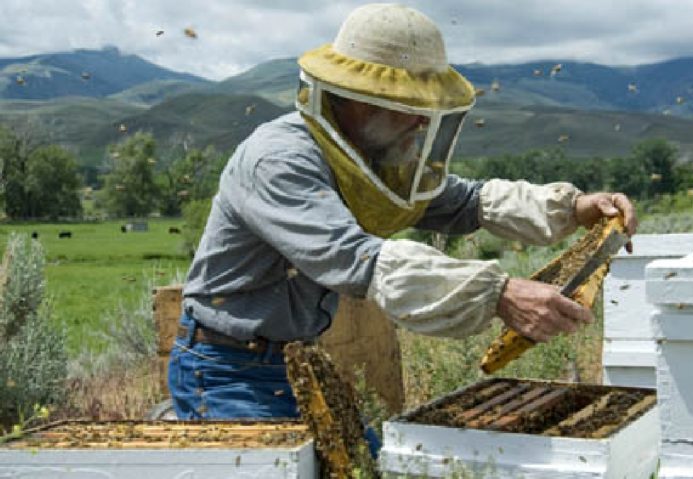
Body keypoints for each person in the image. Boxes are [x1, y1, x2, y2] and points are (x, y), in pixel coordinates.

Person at [167, 2, 637, 456]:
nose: (418, 120)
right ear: (354, 98)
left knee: (365, 466)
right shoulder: (280, 160)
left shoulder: (373, 155)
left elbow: (465, 201)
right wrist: (498, 293)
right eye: (405, 104)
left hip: (295, 360)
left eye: (424, 106)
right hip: (227, 367)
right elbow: (355, 259)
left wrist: (574, 207)